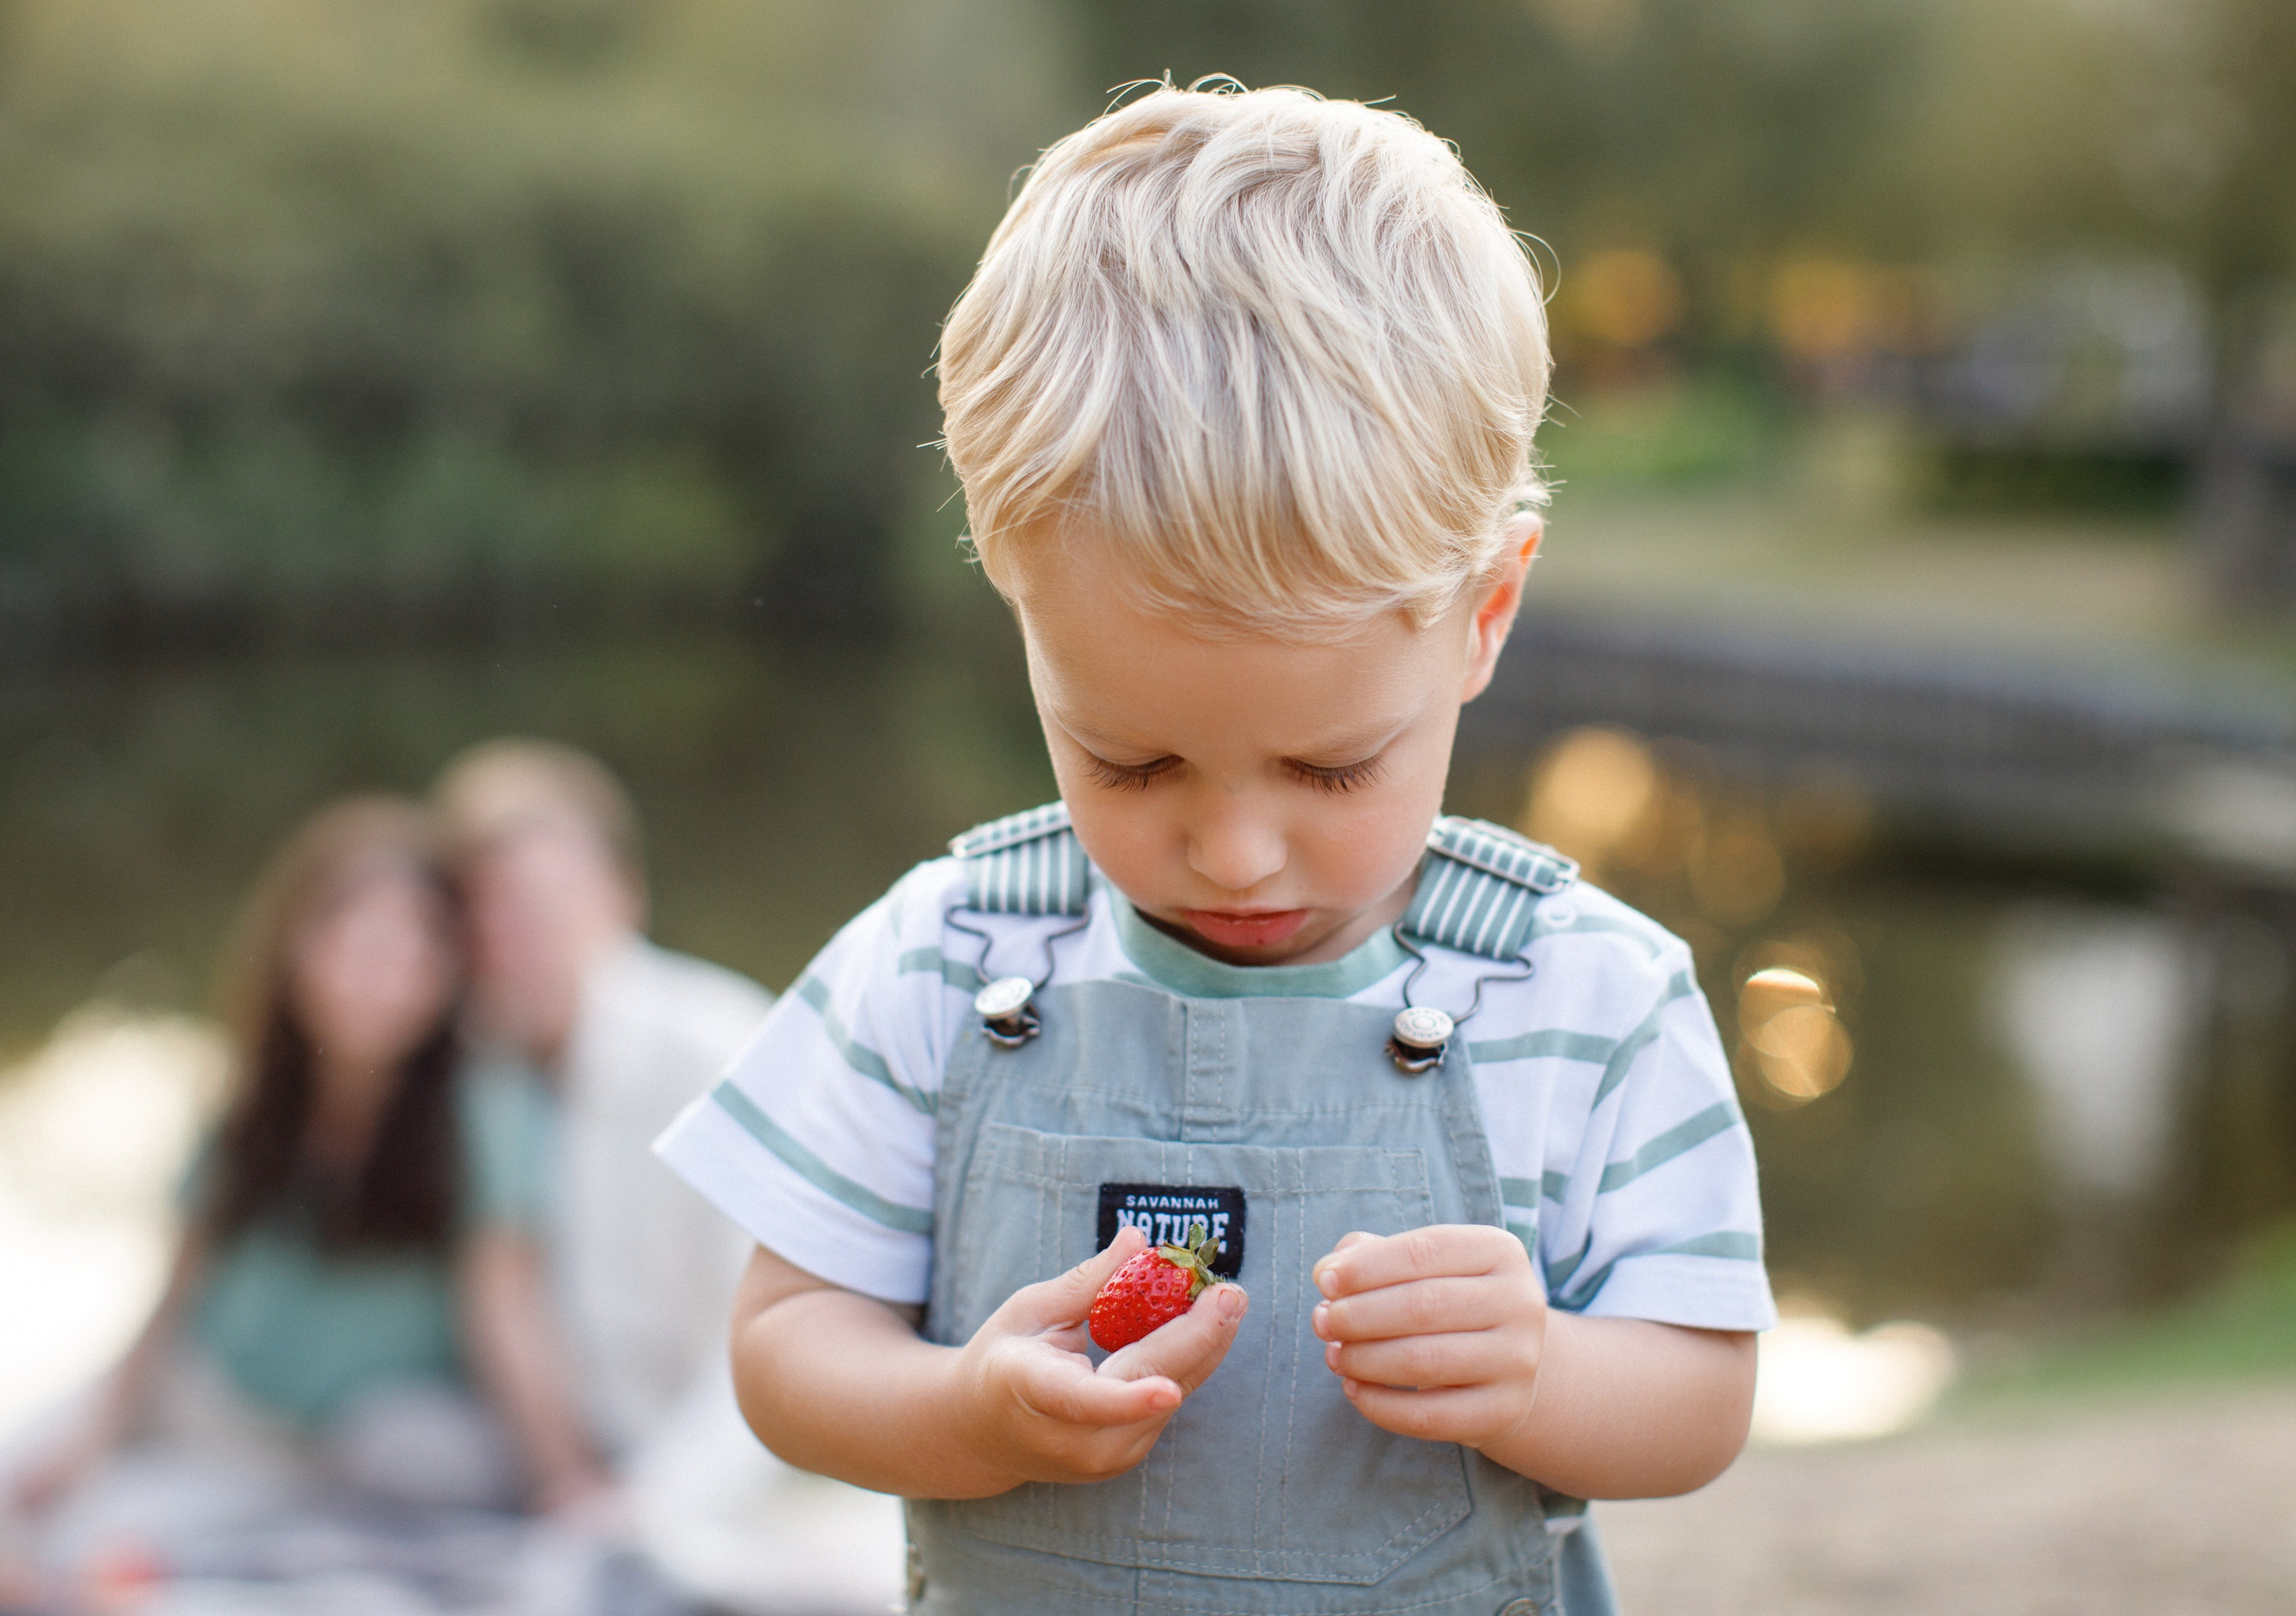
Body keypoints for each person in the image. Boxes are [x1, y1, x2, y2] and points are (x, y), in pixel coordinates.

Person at [654, 82, 1775, 1615]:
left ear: (1487, 612)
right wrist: (966, 1409)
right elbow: (786, 1348)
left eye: (1330, 765)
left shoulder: (1582, 1000)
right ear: (1020, 611)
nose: (1235, 852)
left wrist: (1540, 1369)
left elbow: (1702, 1396)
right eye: (1131, 759)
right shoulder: (949, 960)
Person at [0, 797, 604, 1603]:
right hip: (192, 1386)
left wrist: (569, 1482)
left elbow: (508, 1314)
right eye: (361, 941)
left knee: (70, 1563)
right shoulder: (259, 1095)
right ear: (301, 948)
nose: (386, 975)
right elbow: (173, 1294)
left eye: (420, 948)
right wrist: (92, 1438)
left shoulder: (482, 1107)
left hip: (298, 1455)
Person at [431, 741, 773, 1469]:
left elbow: (778, 1336)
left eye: (539, 906)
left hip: (729, 1465)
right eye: (484, 915)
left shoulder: (716, 1046)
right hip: (576, 1462)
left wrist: (649, 1506)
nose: (509, 940)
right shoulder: (485, 1069)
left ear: (621, 894)